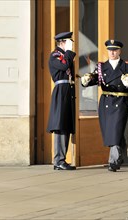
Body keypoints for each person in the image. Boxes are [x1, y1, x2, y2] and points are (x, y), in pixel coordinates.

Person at [81, 40, 128, 172]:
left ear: (119, 51)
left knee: (115, 129)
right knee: (110, 131)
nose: (112, 52)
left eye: (115, 50)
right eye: (110, 50)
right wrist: (86, 80)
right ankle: (119, 154)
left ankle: (113, 161)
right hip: (106, 101)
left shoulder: (127, 66)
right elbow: (95, 79)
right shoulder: (101, 66)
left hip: (121, 100)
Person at [46, 31, 77, 170]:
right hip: (61, 90)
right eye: (68, 42)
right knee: (60, 125)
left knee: (66, 125)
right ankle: (58, 160)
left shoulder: (65, 55)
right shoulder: (55, 56)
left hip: (68, 90)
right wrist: (69, 52)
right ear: (62, 42)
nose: (70, 45)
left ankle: (61, 159)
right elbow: (64, 66)